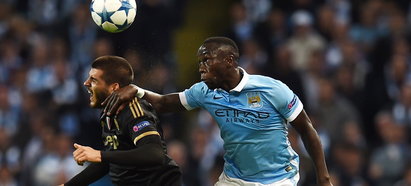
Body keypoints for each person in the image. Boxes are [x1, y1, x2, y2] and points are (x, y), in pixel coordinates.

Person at [103, 37, 332, 185]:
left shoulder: (272, 89)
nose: (200, 67)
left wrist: (324, 177)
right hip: (234, 178)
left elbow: (307, 129)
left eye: (206, 60)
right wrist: (135, 90)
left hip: (278, 179)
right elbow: (163, 103)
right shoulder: (205, 91)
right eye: (199, 61)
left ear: (229, 61)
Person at [61, 56, 182, 186]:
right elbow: (111, 159)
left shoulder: (134, 110)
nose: (86, 83)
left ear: (114, 88)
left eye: (94, 80)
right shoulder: (108, 113)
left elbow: (154, 153)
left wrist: (99, 154)